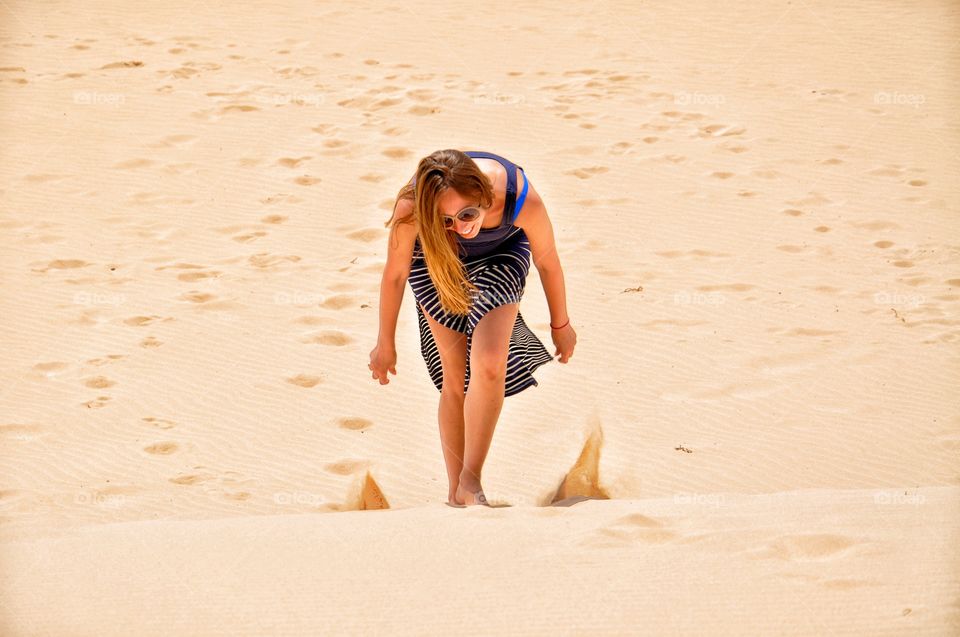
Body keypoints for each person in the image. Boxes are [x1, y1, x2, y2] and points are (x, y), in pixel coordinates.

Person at [368, 149, 577, 507]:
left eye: (467, 213)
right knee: (455, 376)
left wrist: (562, 324)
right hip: (436, 258)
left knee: (490, 360)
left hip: (502, 255)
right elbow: (396, 274)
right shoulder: (414, 208)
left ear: (484, 196)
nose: (461, 227)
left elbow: (548, 262)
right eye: (446, 219)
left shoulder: (519, 198)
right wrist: (384, 343)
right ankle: (455, 492)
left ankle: (471, 481)